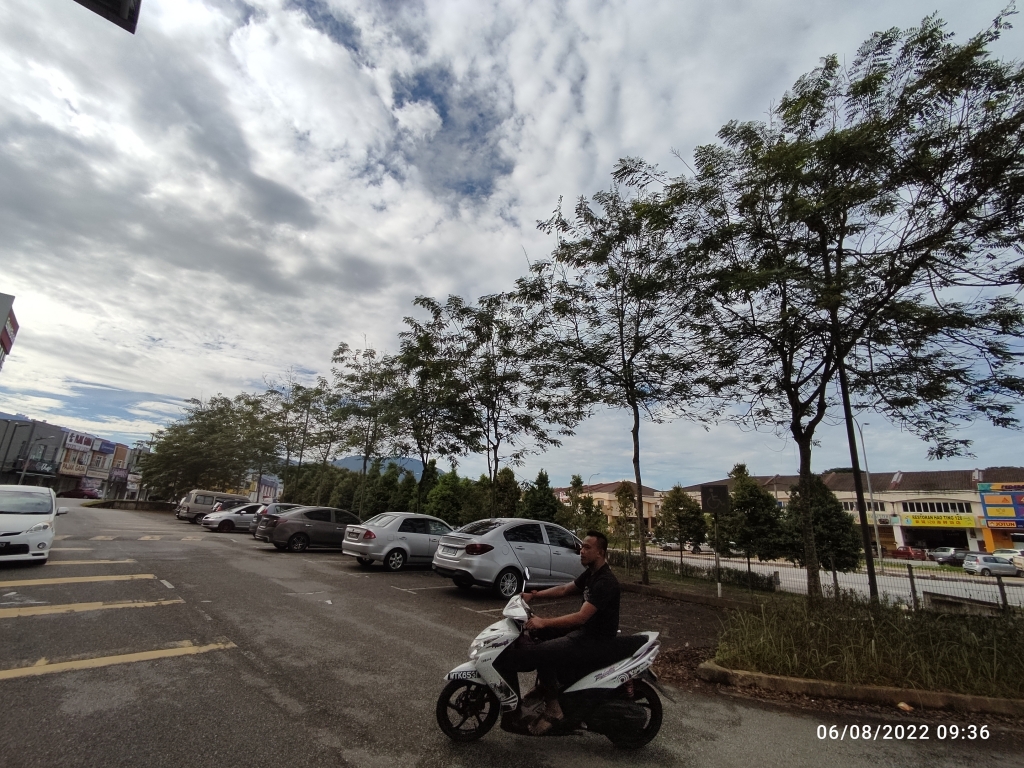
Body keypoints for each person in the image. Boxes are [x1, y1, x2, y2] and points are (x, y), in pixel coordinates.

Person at [493, 530, 620, 735]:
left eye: (587, 547)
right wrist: (534, 595)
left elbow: (581, 617)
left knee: (543, 651)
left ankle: (554, 707)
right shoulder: (592, 574)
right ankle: (547, 686)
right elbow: (564, 589)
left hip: (594, 640)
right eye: (582, 546)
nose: (582, 550)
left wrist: (543, 622)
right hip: (585, 632)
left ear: (601, 552)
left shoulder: (605, 582)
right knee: (537, 636)